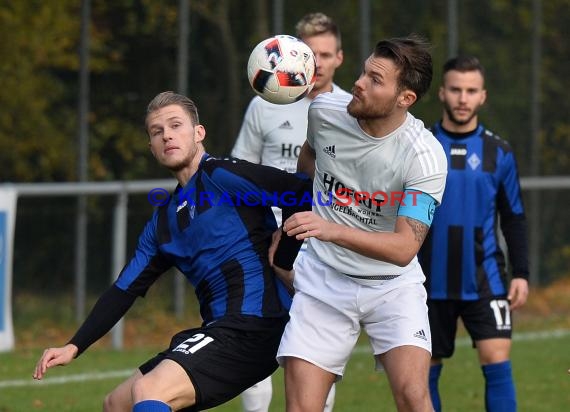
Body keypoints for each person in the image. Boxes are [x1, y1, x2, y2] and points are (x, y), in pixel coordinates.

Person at [32, 91, 314, 412]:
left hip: (256, 326)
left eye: (175, 125)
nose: (166, 135)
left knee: (150, 388)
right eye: (156, 132)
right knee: (117, 404)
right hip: (219, 331)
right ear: (152, 148)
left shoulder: (224, 175)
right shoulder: (163, 223)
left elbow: (301, 192)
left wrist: (283, 257)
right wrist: (74, 346)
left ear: (198, 133)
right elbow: (124, 290)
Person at [275, 35, 448, 412]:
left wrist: (330, 228)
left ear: (405, 99)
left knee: (415, 399)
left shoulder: (424, 156)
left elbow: (404, 248)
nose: (359, 82)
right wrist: (288, 233)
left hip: (392, 287)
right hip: (324, 280)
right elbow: (306, 167)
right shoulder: (323, 111)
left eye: (375, 79)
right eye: (364, 71)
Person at [232, 12, 346, 412]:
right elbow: (240, 173)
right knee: (257, 335)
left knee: (318, 345)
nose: (315, 63)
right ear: (291, 55)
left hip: (321, 242)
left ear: (339, 59)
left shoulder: (351, 111)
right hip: (266, 237)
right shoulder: (263, 106)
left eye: (325, 54)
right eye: (308, 53)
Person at [418, 56, 529, 412]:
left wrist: (522, 274)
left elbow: (513, 217)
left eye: (470, 91)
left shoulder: (500, 153)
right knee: (424, 374)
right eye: (455, 89)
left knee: (498, 363)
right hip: (426, 279)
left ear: (482, 96)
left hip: (486, 277)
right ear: (442, 93)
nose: (462, 99)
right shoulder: (420, 146)